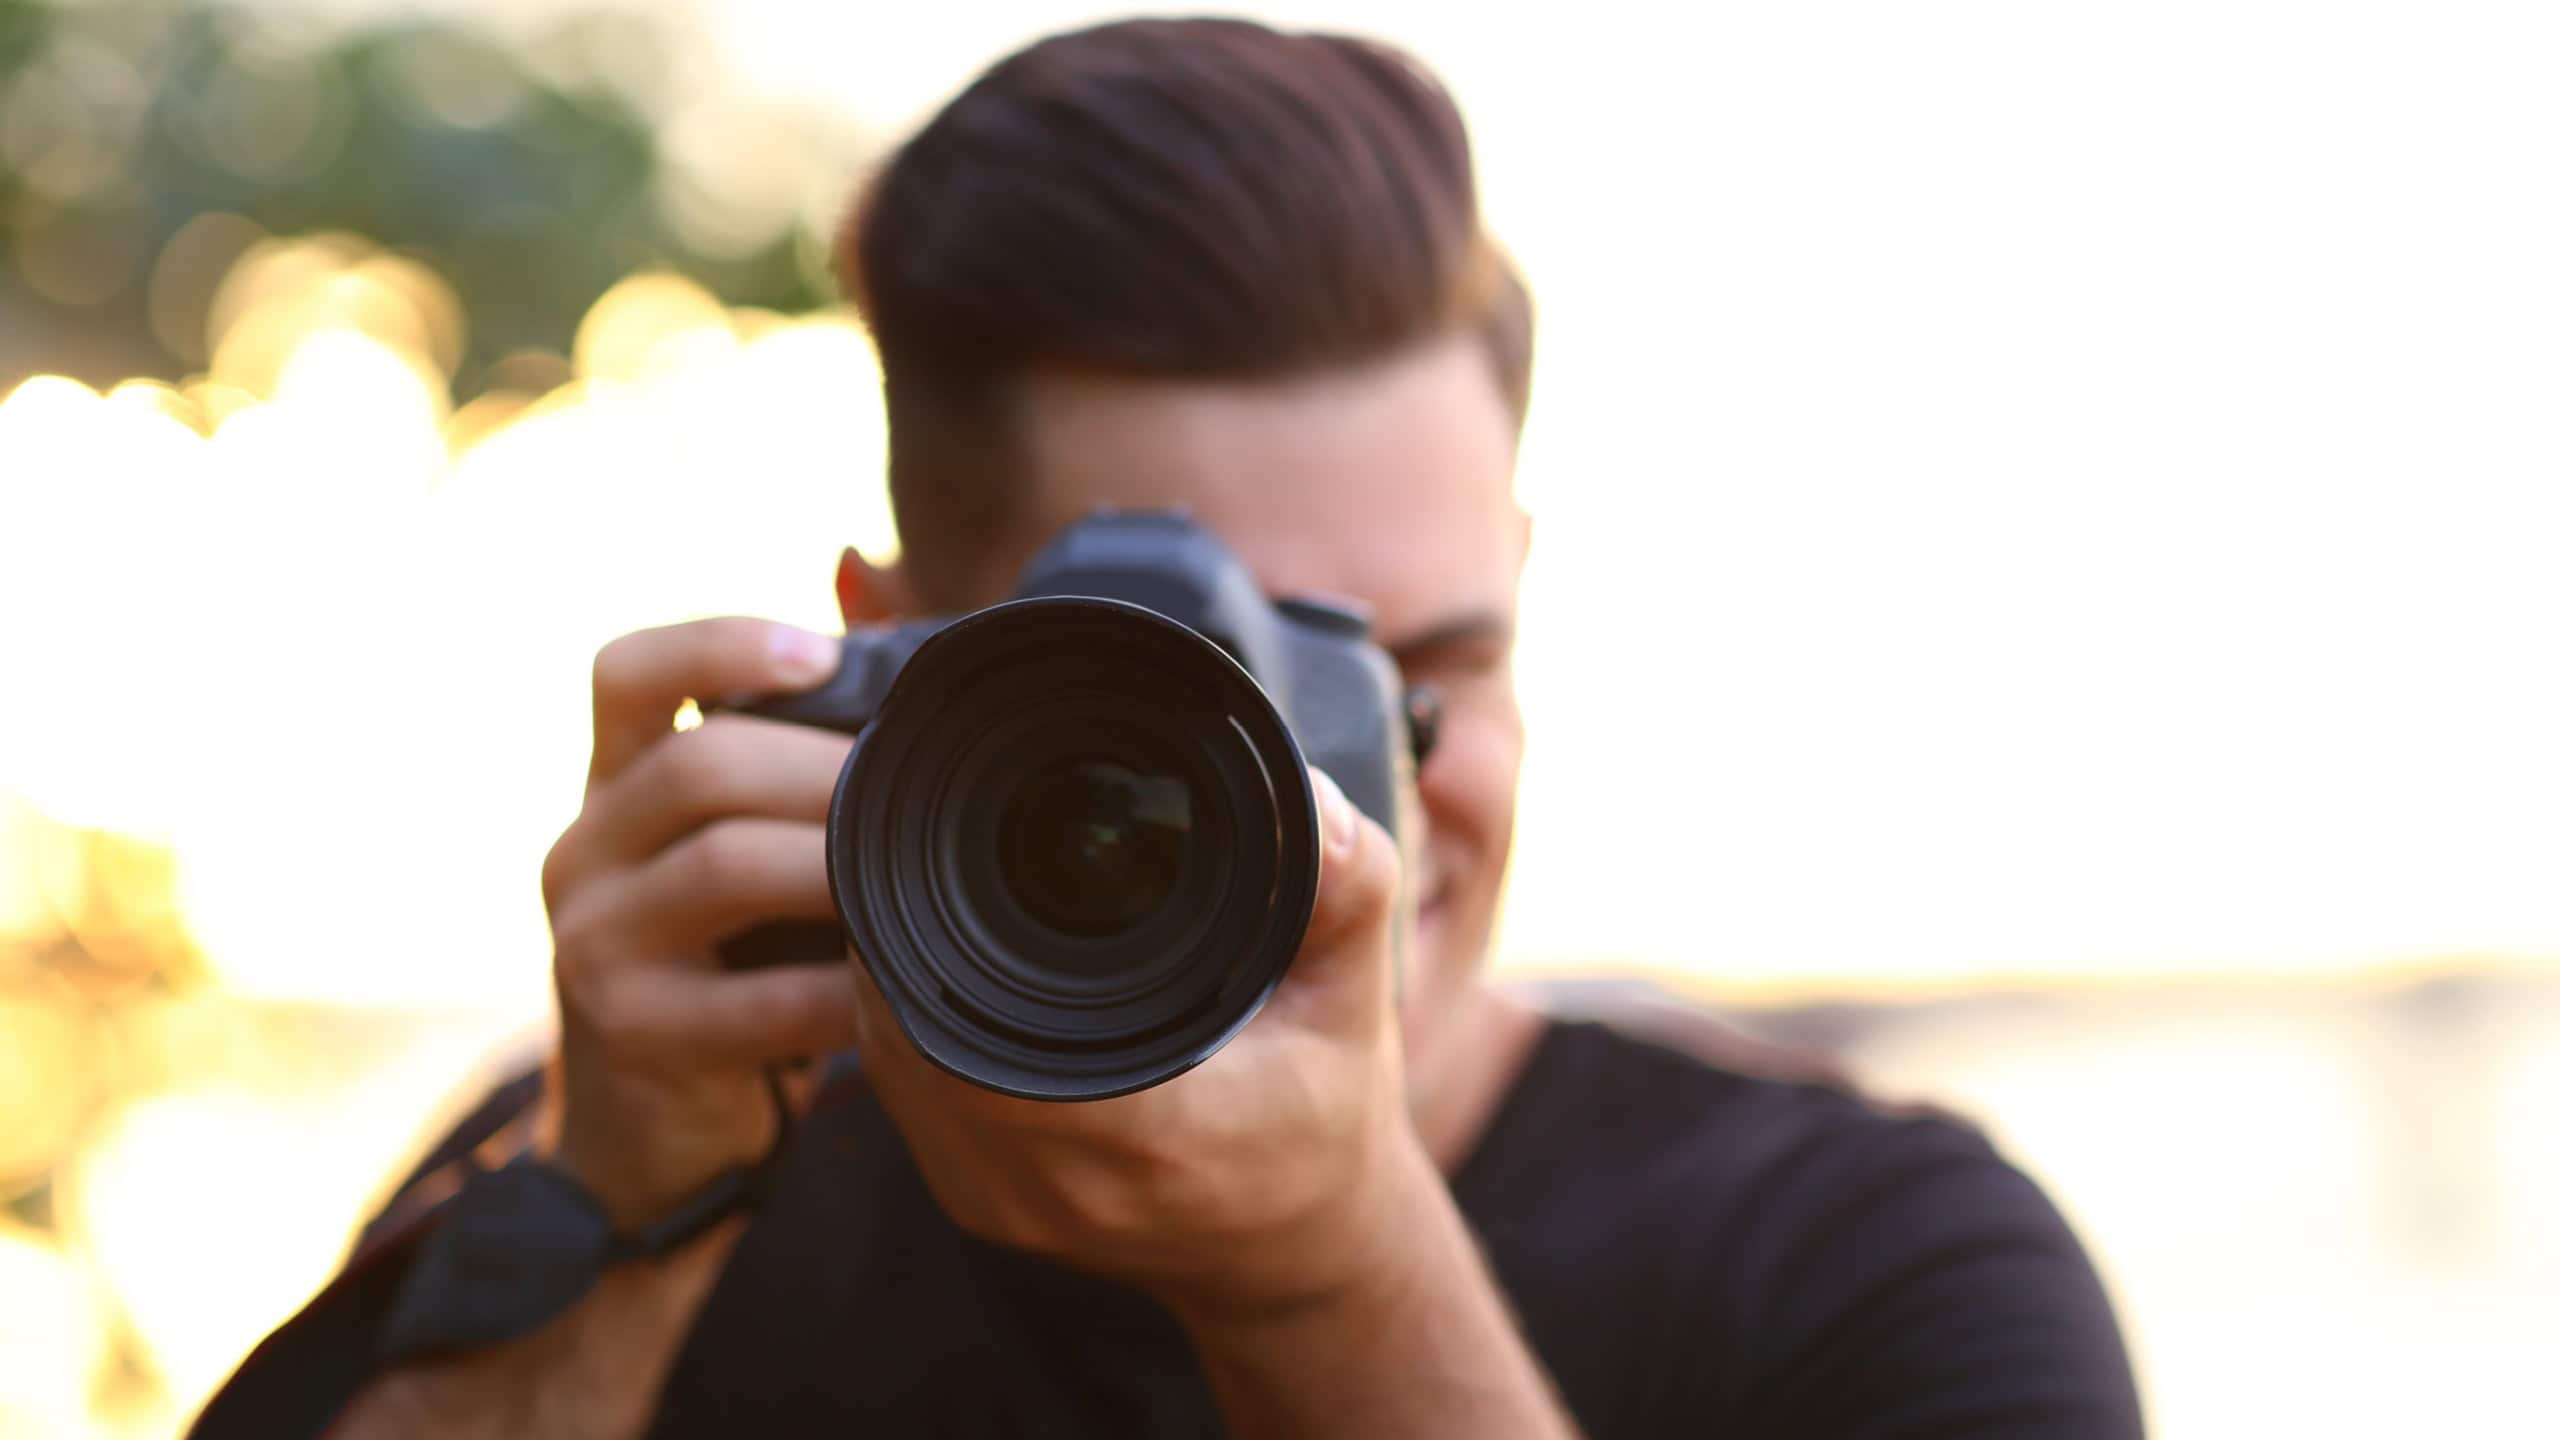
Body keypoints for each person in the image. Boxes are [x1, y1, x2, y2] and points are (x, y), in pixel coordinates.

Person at [194, 17, 2142, 1439]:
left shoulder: (1871, 1274)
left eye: (1408, 681)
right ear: (887, 661)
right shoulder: (633, 1174)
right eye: (1175, 697)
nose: (1319, 809)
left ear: (1520, 600)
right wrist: (619, 1218)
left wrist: (1335, 1271)